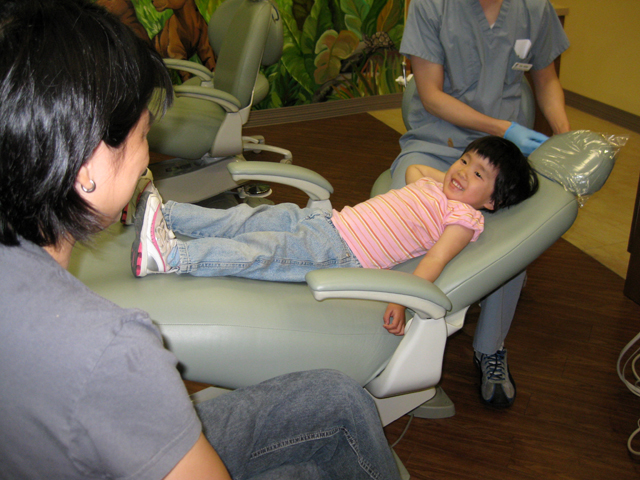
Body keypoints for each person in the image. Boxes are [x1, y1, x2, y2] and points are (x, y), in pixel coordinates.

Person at [0, 1, 403, 479]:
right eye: (144, 136)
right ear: (86, 167)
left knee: (337, 401)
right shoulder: (110, 350)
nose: (146, 159)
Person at [132, 136, 538, 336]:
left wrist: (402, 296)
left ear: (491, 202)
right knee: (245, 219)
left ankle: (172, 257)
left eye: (478, 174)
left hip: (339, 251)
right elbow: (416, 173)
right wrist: (457, 178)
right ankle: (168, 214)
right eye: (464, 160)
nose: (462, 171)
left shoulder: (464, 219)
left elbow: (434, 260)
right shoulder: (440, 189)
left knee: (260, 251)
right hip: (327, 222)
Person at [389, 0, 571, 408]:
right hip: (441, 144)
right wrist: (501, 127)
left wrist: (564, 140)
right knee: (413, 215)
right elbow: (431, 95)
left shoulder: (534, 9)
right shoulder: (431, 6)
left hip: (503, 161)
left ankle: (490, 347)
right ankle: (403, 337)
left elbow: (546, 81)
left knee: (513, 237)